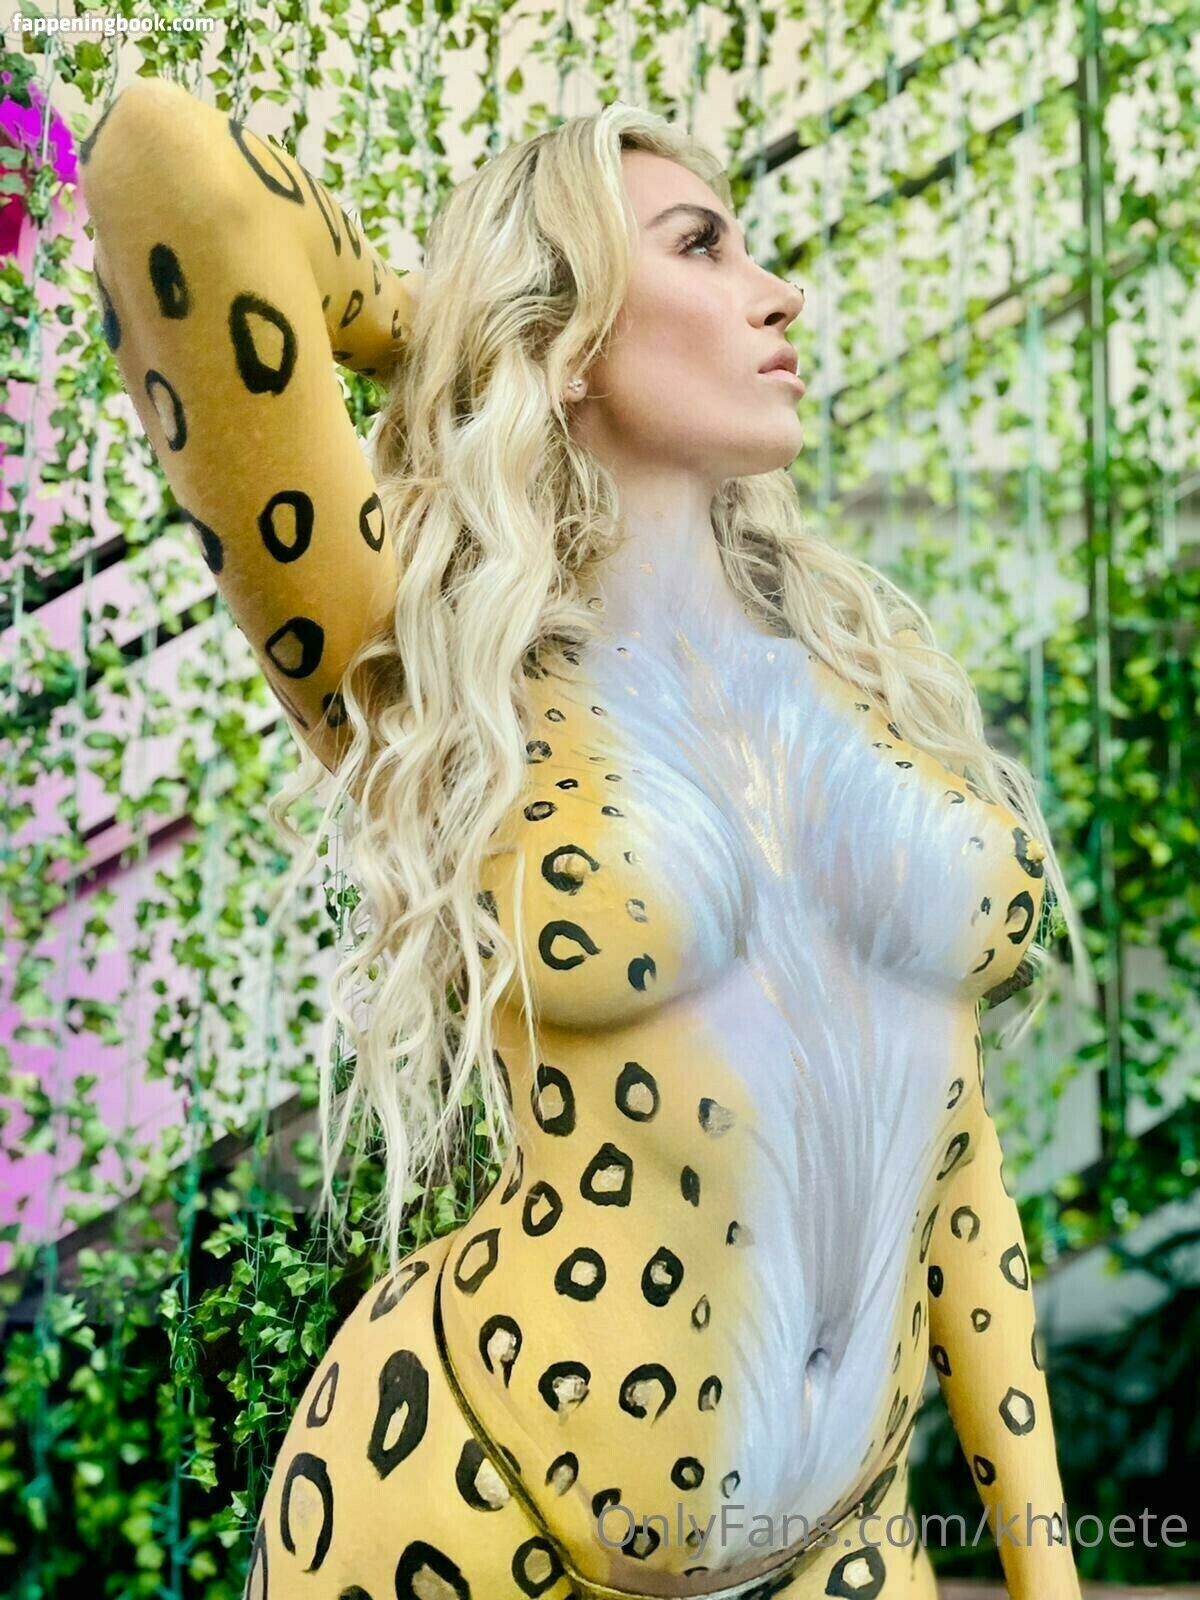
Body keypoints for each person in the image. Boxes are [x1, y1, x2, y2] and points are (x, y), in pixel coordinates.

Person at [78, 75, 1094, 1600]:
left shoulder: (850, 680)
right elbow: (166, 165)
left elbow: (954, 1157)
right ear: (566, 338)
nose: (780, 291)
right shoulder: (431, 679)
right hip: (463, 1513)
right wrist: (474, 325)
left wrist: (1046, 1572)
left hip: (844, 1538)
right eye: (701, 247)